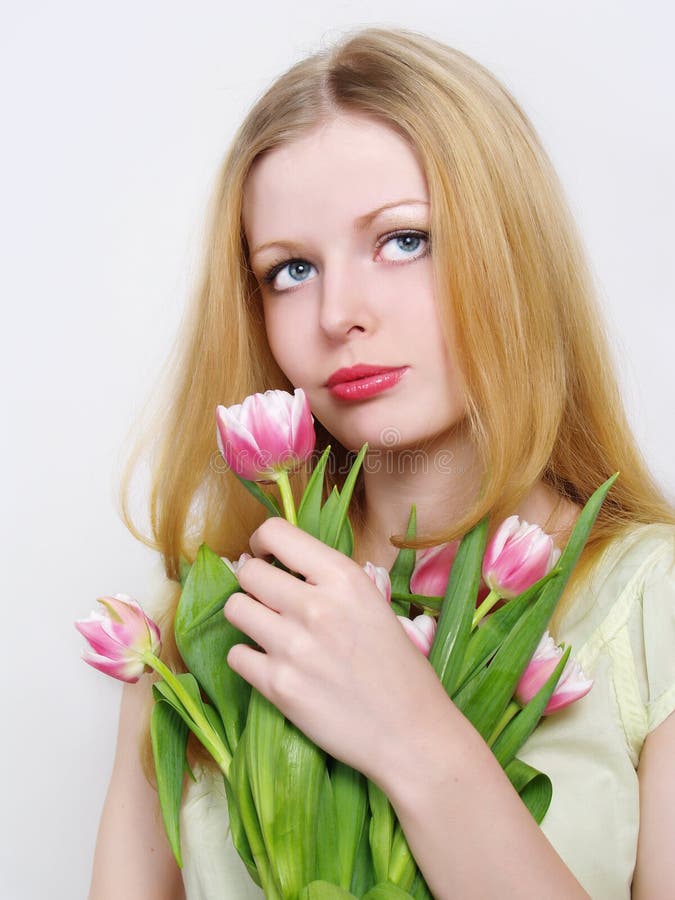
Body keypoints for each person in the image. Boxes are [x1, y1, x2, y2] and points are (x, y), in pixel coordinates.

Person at [89, 26, 675, 900]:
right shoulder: (209, 623)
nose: (339, 313)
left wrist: (411, 732)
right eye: (288, 269)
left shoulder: (645, 604)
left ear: (511, 253)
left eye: (403, 240)